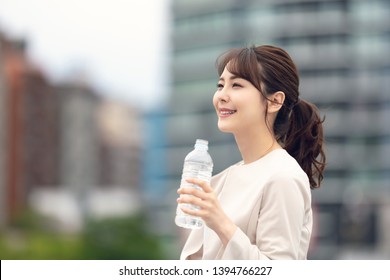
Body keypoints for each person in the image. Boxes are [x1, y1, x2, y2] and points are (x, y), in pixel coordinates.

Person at [176, 45, 326, 260]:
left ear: (275, 101)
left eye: (236, 85)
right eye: (220, 85)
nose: (221, 96)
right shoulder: (222, 180)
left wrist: (219, 221)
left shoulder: (283, 177)